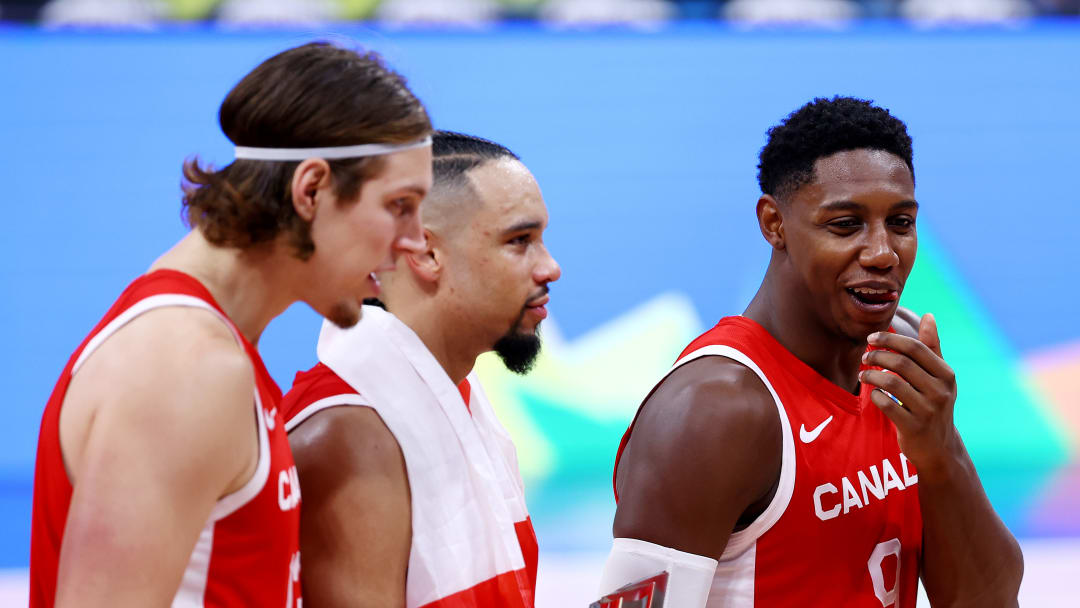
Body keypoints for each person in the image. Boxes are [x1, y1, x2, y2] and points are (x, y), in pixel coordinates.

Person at [29, 42, 434, 608]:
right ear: (311, 189)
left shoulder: (209, 341)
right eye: (400, 205)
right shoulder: (184, 366)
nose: (415, 238)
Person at [598, 96, 1023, 607]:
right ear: (773, 223)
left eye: (901, 223)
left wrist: (940, 453)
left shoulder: (901, 363)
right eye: (845, 225)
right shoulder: (715, 409)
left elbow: (990, 600)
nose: (882, 252)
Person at [281, 131, 560, 608]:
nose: (550, 268)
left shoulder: (460, 400)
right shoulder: (348, 434)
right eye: (520, 241)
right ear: (427, 253)